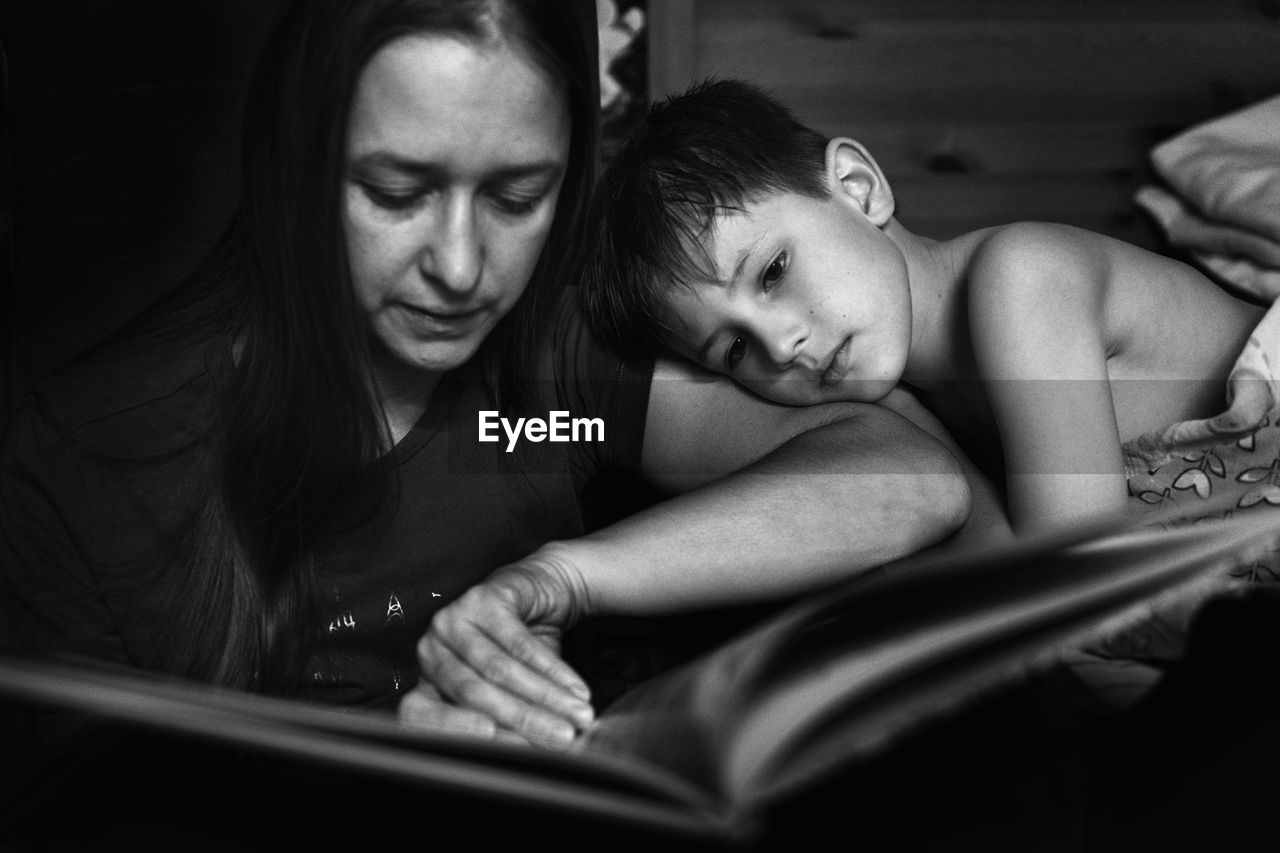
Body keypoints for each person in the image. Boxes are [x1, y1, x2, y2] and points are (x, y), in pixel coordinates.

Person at [0, 0, 972, 773]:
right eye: (395, 192)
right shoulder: (90, 460)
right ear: (293, 166)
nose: (462, 269)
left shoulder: (528, 402)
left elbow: (904, 476)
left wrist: (556, 577)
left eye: (516, 197)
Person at [582, 78, 1268, 536]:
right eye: (734, 350)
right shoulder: (908, 409)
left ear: (858, 186)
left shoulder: (1020, 278)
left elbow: (1079, 595)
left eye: (773, 272)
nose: (780, 344)